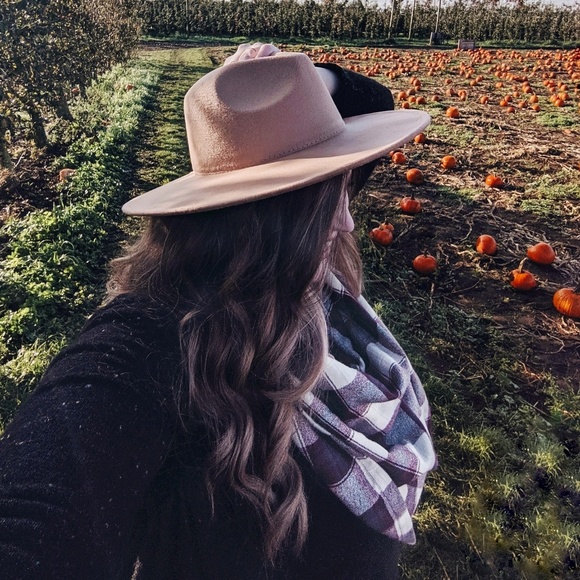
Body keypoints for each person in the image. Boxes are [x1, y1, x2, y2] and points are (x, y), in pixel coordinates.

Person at [0, 43, 436, 579]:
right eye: (332, 197)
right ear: (280, 216)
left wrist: (288, 81)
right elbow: (35, 523)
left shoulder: (315, 300)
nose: (347, 221)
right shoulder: (151, 343)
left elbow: (375, 100)